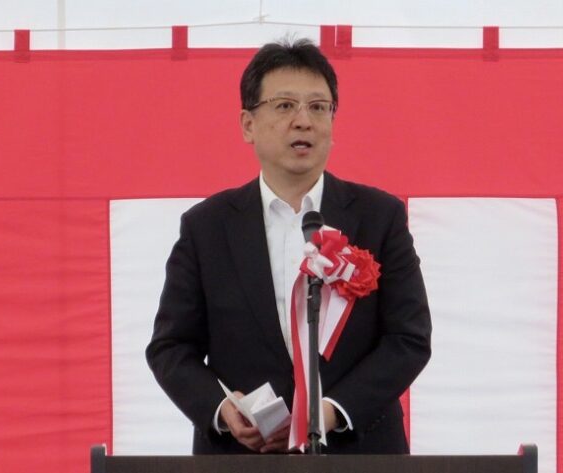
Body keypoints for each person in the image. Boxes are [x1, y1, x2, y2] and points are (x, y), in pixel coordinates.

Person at [146, 38, 431, 454]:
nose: (303, 121)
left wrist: (327, 413)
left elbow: (409, 338)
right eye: (284, 106)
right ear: (248, 124)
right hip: (245, 455)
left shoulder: (379, 217)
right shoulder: (206, 227)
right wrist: (222, 409)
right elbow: (170, 347)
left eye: (318, 107)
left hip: (359, 453)